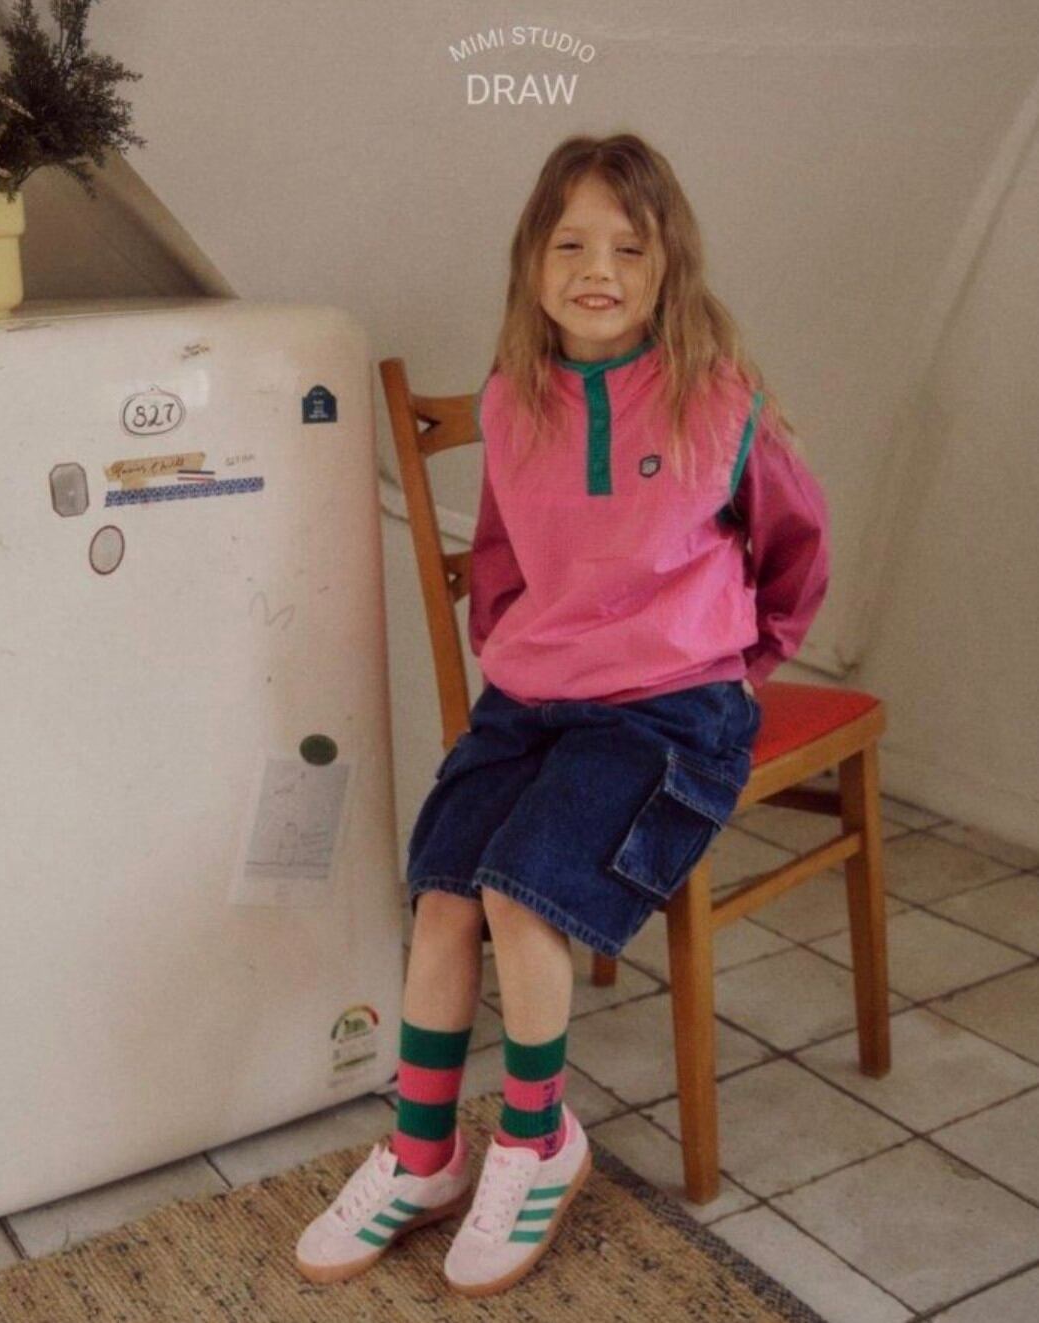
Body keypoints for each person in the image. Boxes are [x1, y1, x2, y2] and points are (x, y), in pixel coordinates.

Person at [295, 131, 830, 1297]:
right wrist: (509, 642)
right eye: (570, 244)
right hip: (531, 700)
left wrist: (750, 660)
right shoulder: (512, 398)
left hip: (669, 710)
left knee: (516, 891)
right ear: (530, 260)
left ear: (667, 265)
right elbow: (498, 546)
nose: (597, 268)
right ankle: (423, 1155)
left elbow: (795, 543)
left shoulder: (717, 402)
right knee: (442, 895)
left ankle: (537, 1140)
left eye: (627, 248)